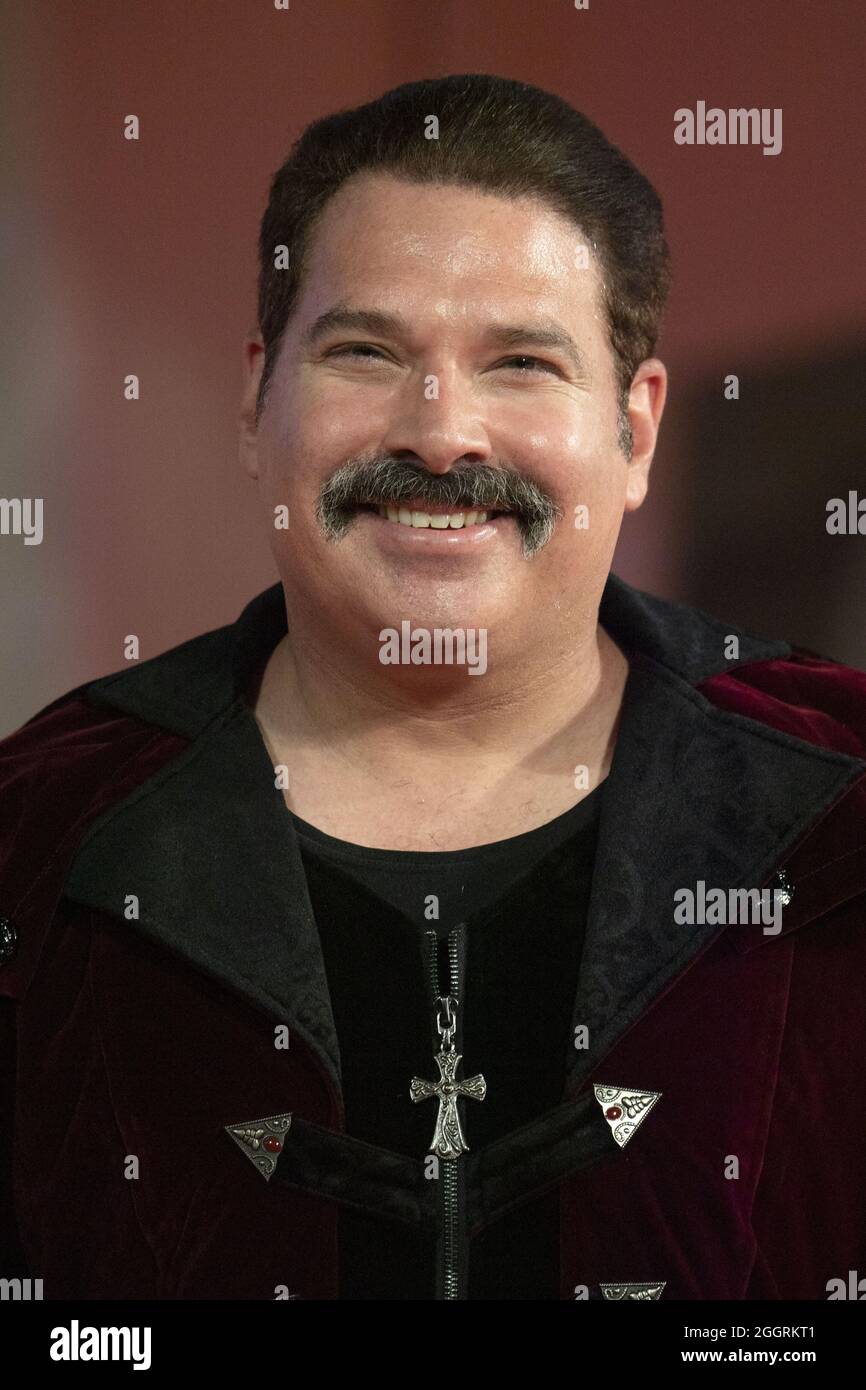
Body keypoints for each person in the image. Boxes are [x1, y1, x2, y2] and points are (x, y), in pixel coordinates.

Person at [2, 73, 865, 1302]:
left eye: (519, 361)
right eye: (365, 351)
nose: (440, 432)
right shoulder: (33, 842)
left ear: (635, 429)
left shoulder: (845, 824)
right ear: (257, 399)